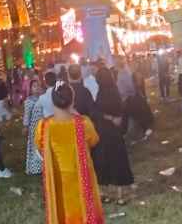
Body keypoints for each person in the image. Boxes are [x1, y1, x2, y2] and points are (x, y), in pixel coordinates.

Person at [35, 82, 104, 224]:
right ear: (73, 100)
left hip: (57, 180)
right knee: (83, 212)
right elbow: (94, 141)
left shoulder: (44, 126)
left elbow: (40, 146)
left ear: (53, 101)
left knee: (61, 213)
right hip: (80, 180)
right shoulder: (83, 123)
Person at [92, 67, 134, 205]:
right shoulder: (115, 91)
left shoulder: (101, 94)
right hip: (114, 132)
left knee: (104, 162)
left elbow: (97, 112)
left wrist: (107, 117)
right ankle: (120, 195)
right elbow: (121, 111)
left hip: (103, 132)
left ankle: (106, 193)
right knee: (118, 161)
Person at [23, 79, 45, 175]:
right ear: (31, 89)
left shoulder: (44, 99)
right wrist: (25, 126)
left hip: (43, 126)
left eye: (39, 86)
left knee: (42, 145)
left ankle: (44, 165)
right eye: (34, 86)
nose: (37, 88)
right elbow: (27, 115)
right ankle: (35, 168)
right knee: (35, 146)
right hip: (34, 127)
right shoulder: (29, 101)